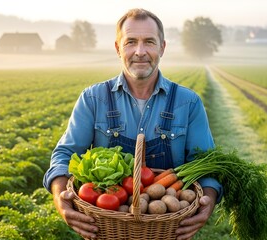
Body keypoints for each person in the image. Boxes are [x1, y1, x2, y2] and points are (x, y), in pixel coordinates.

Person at [43, 8, 223, 240]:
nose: (140, 52)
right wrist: (59, 198)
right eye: (130, 42)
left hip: (167, 231)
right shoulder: (93, 99)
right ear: (118, 48)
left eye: (149, 41)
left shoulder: (188, 103)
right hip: (107, 229)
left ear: (162, 47)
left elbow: (207, 164)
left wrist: (208, 202)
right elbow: (65, 154)